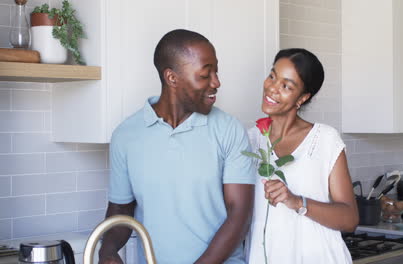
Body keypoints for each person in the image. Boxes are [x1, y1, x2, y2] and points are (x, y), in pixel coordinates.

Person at [99, 29, 256, 264]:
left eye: (216, 71)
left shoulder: (229, 129)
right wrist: (108, 250)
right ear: (172, 78)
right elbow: (121, 211)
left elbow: (240, 214)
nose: (216, 82)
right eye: (205, 75)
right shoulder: (126, 135)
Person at [245, 48, 359, 263]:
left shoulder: (325, 139)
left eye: (286, 86)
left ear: (303, 97)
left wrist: (296, 201)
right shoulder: (248, 141)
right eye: (272, 76)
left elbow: (349, 219)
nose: (272, 88)